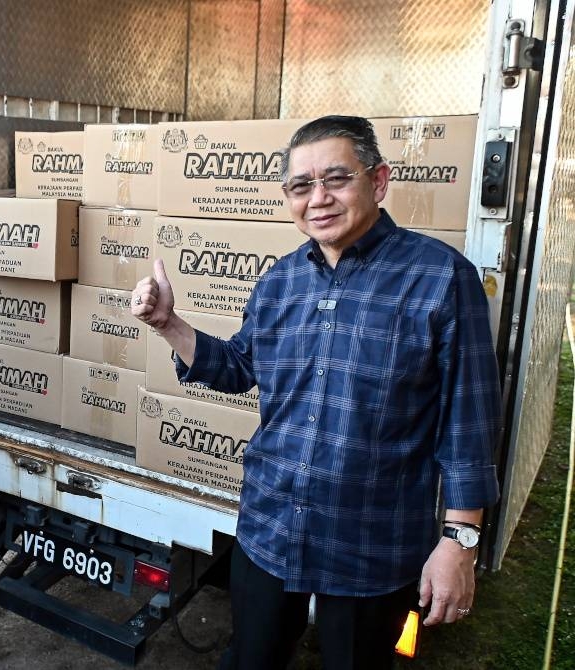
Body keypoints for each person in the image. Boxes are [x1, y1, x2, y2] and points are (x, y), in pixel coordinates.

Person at [131, 115, 501, 670]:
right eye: (301, 186)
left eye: (337, 180)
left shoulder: (441, 278)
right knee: (250, 660)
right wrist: (169, 324)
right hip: (270, 527)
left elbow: (468, 422)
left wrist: (459, 544)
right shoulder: (280, 280)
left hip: (371, 544)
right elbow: (238, 367)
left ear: (378, 182)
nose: (318, 199)